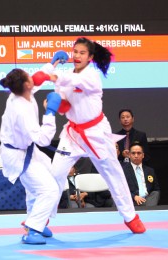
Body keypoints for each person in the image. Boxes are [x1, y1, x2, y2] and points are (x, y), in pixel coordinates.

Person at [43, 37, 146, 233]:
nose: (76, 56)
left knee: (113, 174)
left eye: (82, 52)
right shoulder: (66, 76)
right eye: (75, 52)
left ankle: (130, 216)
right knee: (55, 174)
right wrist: (53, 104)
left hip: (96, 132)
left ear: (90, 57)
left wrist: (51, 68)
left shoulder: (91, 76)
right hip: (72, 134)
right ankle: (42, 218)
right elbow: (64, 106)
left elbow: (66, 80)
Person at [0, 68, 61, 244]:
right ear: (27, 84)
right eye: (29, 76)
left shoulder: (21, 92)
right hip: (17, 155)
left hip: (27, 150)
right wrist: (50, 113)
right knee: (48, 190)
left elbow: (37, 78)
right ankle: (33, 229)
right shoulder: (21, 110)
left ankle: (35, 221)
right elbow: (43, 139)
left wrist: (52, 63)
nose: (32, 77)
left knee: (49, 180)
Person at [122, 142, 160, 206]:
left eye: (139, 153)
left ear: (143, 155)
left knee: (156, 193)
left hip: (148, 199)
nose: (136, 156)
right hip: (132, 201)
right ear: (129, 155)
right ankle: (148, 209)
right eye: (133, 153)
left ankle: (148, 206)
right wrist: (134, 196)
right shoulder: (123, 170)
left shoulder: (150, 170)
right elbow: (121, 189)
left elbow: (156, 189)